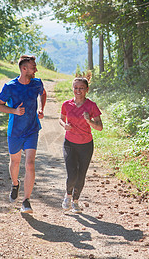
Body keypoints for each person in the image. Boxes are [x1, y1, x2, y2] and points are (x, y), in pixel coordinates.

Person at [0, 55, 46, 214]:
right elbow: (0, 106)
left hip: (32, 129)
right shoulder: (10, 86)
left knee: (30, 164)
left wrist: (41, 109)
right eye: (33, 67)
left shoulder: (37, 83)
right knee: (15, 161)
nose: (36, 69)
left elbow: (43, 93)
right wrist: (14, 111)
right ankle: (15, 183)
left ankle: (26, 201)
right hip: (15, 131)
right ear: (24, 69)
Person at [59, 77, 103, 213]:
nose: (78, 90)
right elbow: (61, 118)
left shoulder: (91, 106)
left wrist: (89, 121)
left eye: (81, 88)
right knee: (72, 174)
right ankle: (68, 196)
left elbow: (100, 127)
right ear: (73, 89)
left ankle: (76, 202)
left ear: (87, 90)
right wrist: (64, 125)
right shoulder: (67, 104)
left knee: (81, 175)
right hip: (70, 143)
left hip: (86, 145)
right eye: (76, 88)